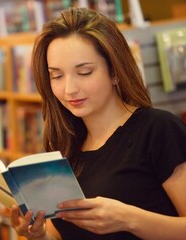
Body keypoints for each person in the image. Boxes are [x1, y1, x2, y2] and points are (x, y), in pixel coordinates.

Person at [10, 7, 186, 240]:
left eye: (84, 72)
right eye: (57, 76)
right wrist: (39, 235)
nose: (69, 89)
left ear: (114, 71)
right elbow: (61, 234)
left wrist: (129, 219)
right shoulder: (65, 146)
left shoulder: (158, 130)